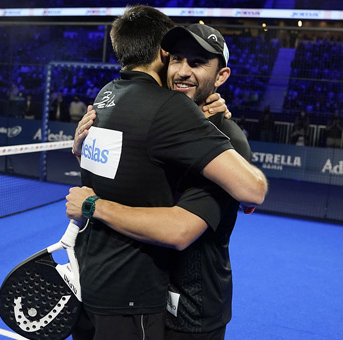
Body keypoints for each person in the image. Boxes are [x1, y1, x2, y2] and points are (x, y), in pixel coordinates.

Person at [67, 6, 267, 340]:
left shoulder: (225, 138)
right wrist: (80, 149)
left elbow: (247, 195)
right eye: (177, 59)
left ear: (221, 77)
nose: (183, 71)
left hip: (193, 311)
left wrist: (92, 205)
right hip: (152, 295)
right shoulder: (166, 118)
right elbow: (129, 174)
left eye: (198, 63)